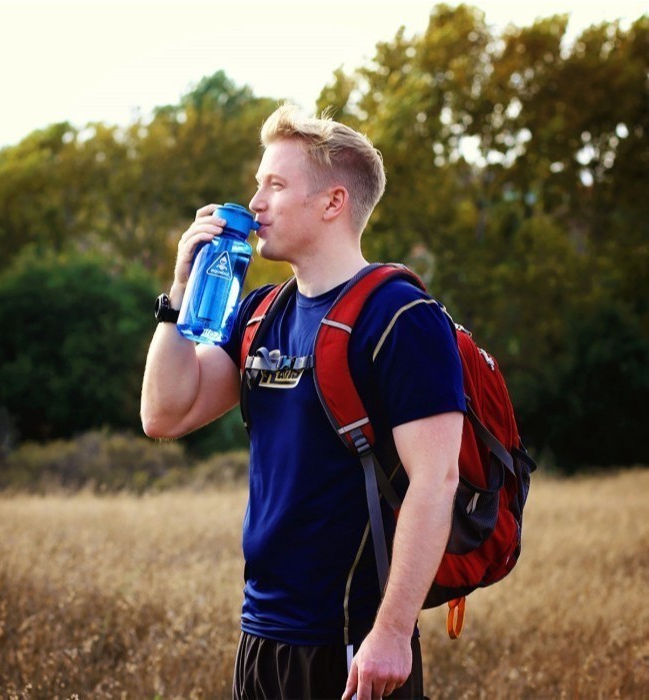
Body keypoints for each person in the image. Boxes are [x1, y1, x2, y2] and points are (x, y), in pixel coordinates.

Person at [141, 103, 465, 700]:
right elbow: (165, 414)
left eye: (276, 184)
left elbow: (437, 479)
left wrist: (393, 632)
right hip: (261, 634)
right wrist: (179, 294)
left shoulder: (403, 317)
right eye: (257, 184)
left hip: (353, 644)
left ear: (333, 202)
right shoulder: (261, 314)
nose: (255, 203)